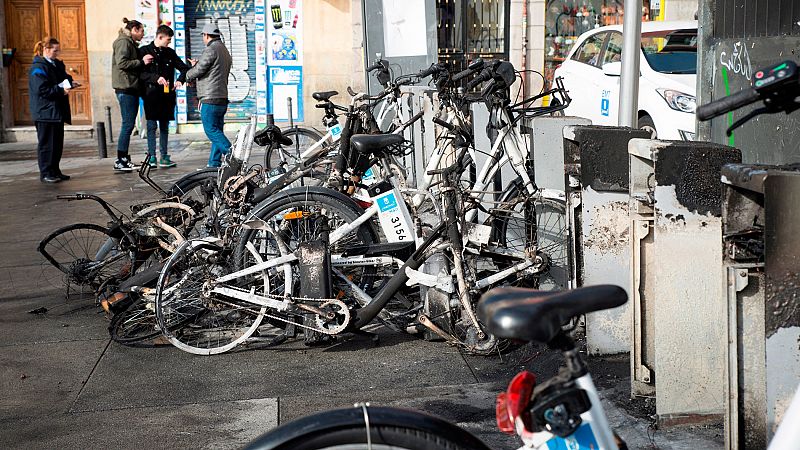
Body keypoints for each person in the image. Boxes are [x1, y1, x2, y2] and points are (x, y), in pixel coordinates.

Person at [138, 25, 190, 169]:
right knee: (151, 126)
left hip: (167, 96)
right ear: (160, 37)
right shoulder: (144, 51)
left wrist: (180, 80)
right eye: (168, 40)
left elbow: (184, 68)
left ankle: (164, 156)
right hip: (150, 95)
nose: (169, 42)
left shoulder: (170, 53)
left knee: (165, 126)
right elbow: (139, 73)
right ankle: (151, 156)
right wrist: (155, 78)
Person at [185, 23, 232, 168]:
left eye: (203, 37)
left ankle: (232, 154)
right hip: (221, 97)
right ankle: (213, 163)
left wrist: (187, 74)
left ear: (206, 35)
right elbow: (213, 69)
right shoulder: (224, 50)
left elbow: (199, 69)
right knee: (217, 130)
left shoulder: (211, 49)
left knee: (210, 130)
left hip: (210, 98)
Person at [29, 37, 75, 183]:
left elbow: (64, 78)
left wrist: (70, 83)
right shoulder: (39, 67)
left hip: (56, 111)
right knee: (46, 144)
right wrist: (61, 90)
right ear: (46, 50)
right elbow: (41, 89)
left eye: (58, 50)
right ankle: (46, 172)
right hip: (45, 112)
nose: (57, 53)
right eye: (55, 50)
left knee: (57, 143)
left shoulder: (55, 64)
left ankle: (55, 170)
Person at [111, 18, 153, 172]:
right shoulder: (123, 42)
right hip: (126, 87)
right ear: (134, 29)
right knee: (127, 124)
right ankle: (121, 159)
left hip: (130, 87)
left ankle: (124, 158)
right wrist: (141, 62)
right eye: (142, 31)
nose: (143, 34)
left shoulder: (129, 42)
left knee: (128, 124)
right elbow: (122, 63)